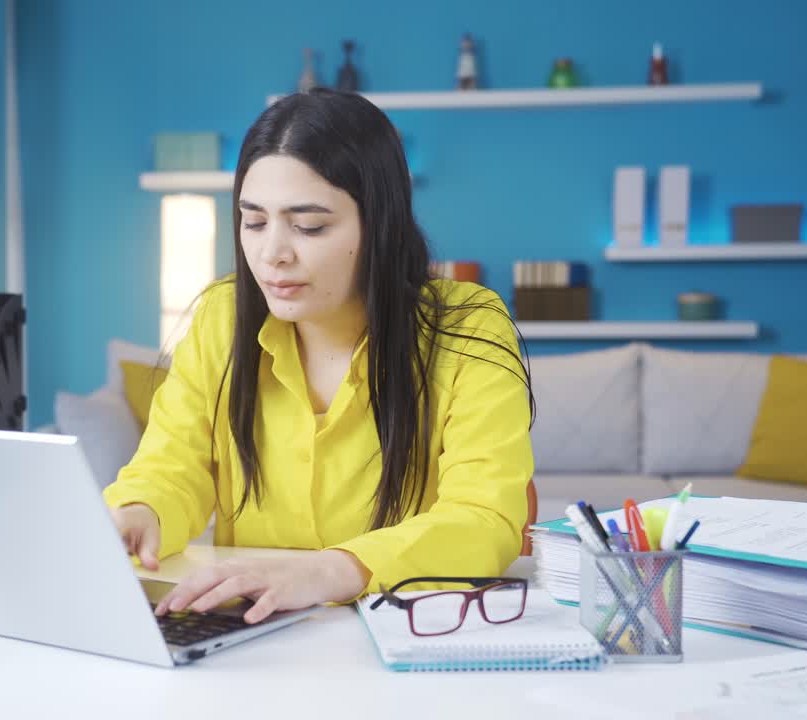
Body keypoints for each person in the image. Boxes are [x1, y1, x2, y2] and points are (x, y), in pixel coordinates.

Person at [103, 88, 534, 625]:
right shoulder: (223, 316)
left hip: (404, 631)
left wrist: (327, 572)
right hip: (255, 634)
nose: (271, 253)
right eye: (254, 222)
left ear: (381, 223)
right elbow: (173, 466)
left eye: (309, 226)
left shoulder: (468, 327)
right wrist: (139, 511)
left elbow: (484, 518)